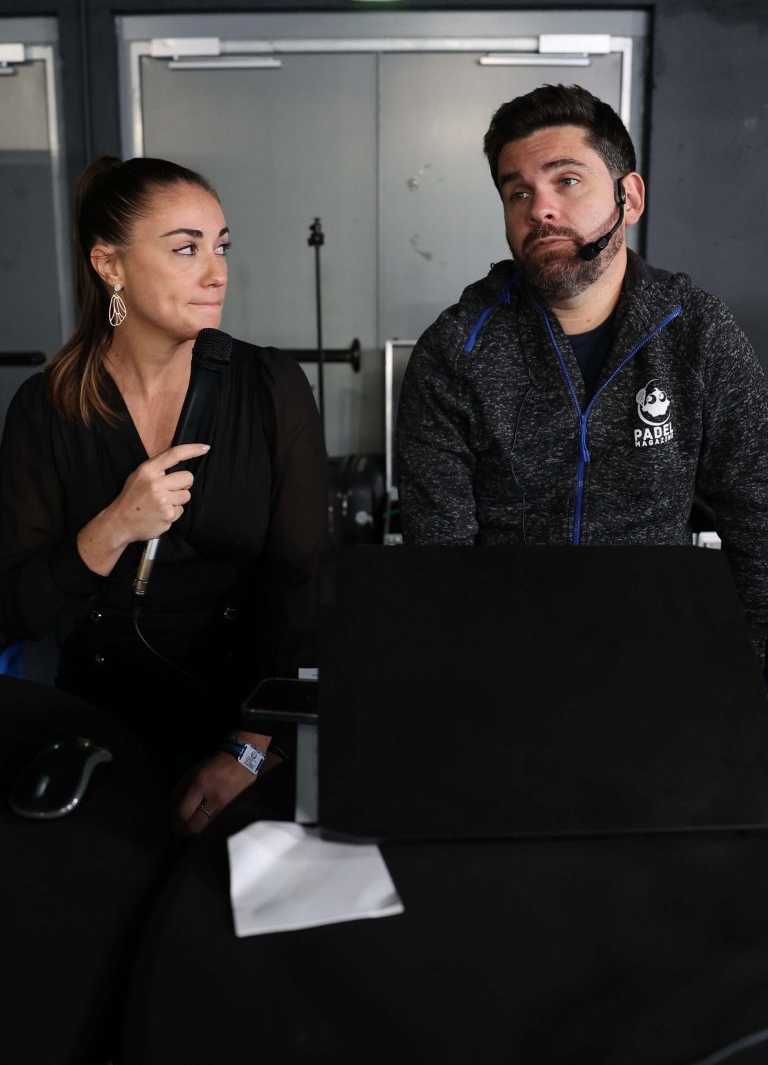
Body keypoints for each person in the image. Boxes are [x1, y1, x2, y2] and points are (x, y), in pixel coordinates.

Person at [0, 156, 328, 832]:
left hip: (250, 729)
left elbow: (305, 588)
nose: (217, 272)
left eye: (221, 247)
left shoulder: (271, 387)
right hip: (101, 726)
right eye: (186, 249)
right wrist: (115, 525)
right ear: (109, 265)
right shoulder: (46, 408)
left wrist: (249, 748)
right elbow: (19, 610)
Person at [396, 84, 768, 664]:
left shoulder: (696, 331)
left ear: (630, 197)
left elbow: (758, 514)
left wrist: (748, 678)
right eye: (518, 192)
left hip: (661, 667)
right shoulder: (456, 350)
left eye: (567, 180)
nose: (539, 210)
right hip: (505, 670)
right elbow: (437, 557)